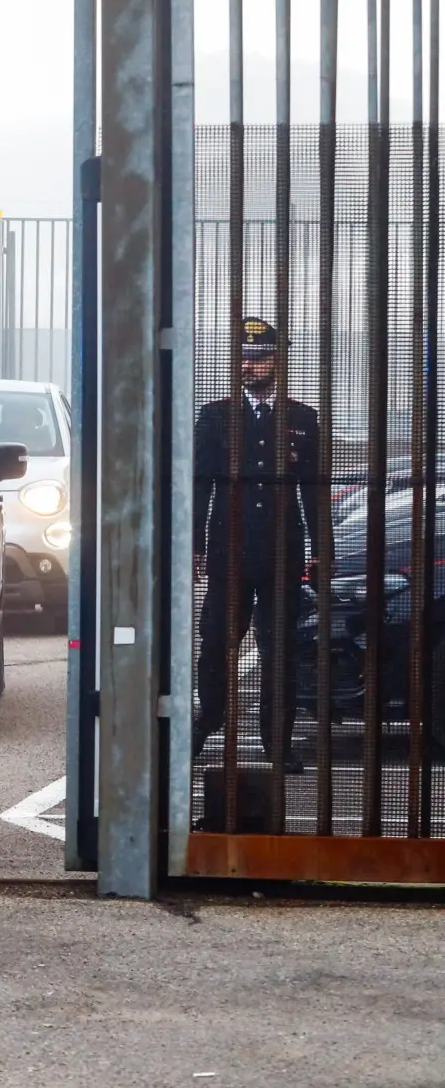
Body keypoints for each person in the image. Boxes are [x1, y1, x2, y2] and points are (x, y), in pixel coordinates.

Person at [192, 316, 325, 774]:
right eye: (245, 359)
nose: (251, 366)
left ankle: (278, 741)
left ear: (278, 361)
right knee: (215, 644)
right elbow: (200, 487)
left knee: (280, 649)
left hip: (281, 553)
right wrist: (194, 546)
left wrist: (320, 547)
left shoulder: (302, 419)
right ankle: (208, 720)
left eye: (261, 357)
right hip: (230, 552)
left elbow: (315, 491)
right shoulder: (216, 417)